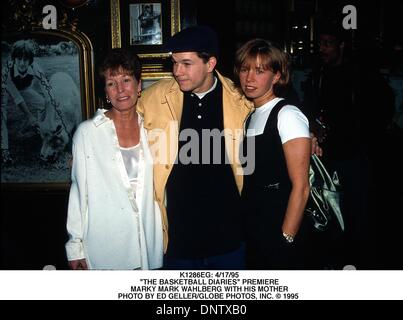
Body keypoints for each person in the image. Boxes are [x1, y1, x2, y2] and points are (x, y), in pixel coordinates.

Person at [138, 25, 254, 270]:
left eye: (186, 63)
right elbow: (120, 122)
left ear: (210, 64)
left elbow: (274, 119)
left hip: (228, 240)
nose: (177, 71)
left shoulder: (241, 100)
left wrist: (309, 134)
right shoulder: (154, 98)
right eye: (174, 63)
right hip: (177, 241)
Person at [302, 20, 395, 269]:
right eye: (320, 44)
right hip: (327, 156)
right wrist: (314, 125)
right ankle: (338, 263)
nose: (322, 49)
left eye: (328, 44)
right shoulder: (317, 75)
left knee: (358, 214)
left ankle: (361, 266)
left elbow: (384, 106)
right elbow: (310, 108)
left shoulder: (361, 73)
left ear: (341, 45)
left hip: (355, 155)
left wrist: (365, 133)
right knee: (330, 213)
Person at [65, 48, 163, 270]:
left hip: (148, 243)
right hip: (105, 248)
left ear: (139, 86)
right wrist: (75, 246)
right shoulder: (87, 133)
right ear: (106, 92)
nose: (120, 89)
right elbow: (79, 193)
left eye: (127, 80)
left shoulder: (153, 130)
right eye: (111, 83)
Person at [234, 39, 311, 269]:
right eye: (245, 69)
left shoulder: (287, 114)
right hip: (254, 226)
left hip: (280, 224)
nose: (249, 78)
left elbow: (301, 187)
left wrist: (286, 238)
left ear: (276, 76)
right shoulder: (249, 116)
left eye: (259, 71)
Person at [1, 39, 45, 164]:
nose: (21, 63)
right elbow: (16, 97)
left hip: (23, 88)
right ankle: (4, 150)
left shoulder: (35, 68)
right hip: (4, 88)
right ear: (13, 59)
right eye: (18, 59)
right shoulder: (5, 71)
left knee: (43, 103)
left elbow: (47, 91)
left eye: (25, 59)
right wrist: (30, 116)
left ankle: (42, 132)